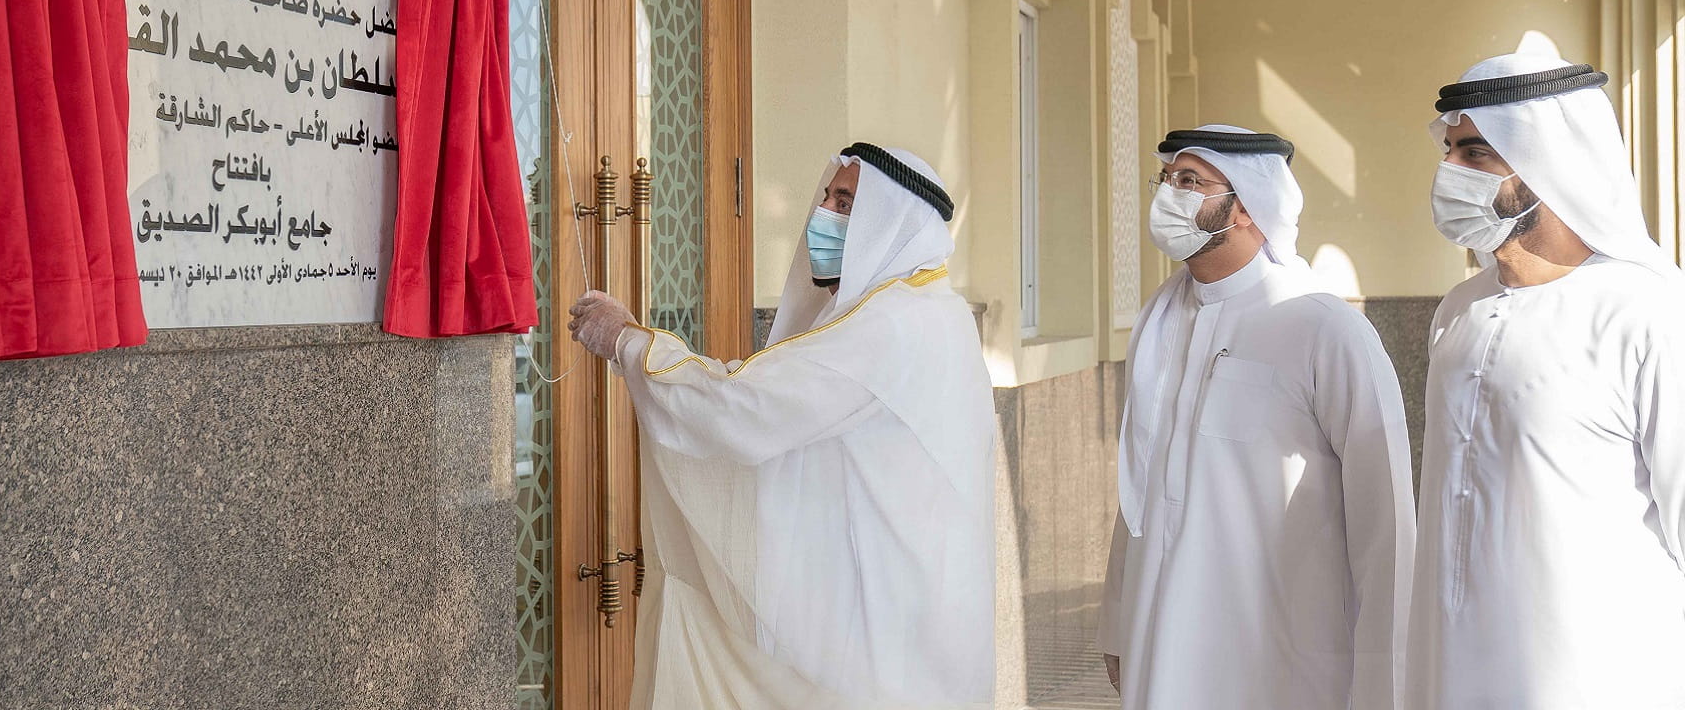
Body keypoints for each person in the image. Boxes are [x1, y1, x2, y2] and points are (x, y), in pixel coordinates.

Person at [568, 143, 996, 710]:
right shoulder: (930, 309)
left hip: (884, 635)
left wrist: (627, 342)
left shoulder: (895, 326)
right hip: (912, 618)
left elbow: (748, 410)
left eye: (845, 202)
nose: (824, 214)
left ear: (889, 222)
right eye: (827, 196)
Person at [1099, 125, 1414, 710]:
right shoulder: (1159, 321)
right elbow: (1139, 489)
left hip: (1280, 654)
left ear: (1245, 204)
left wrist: (1384, 679)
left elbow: (1385, 520)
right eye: (1166, 179)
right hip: (1158, 635)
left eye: (1189, 181)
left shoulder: (1323, 327)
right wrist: (1119, 624)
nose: (1169, 194)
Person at [1407, 55, 1685, 709]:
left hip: (1602, 676)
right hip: (1451, 666)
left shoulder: (1648, 310)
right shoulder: (1458, 311)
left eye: (1476, 154)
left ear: (1549, 163)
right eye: (1448, 151)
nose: (1451, 174)